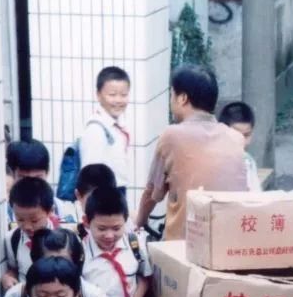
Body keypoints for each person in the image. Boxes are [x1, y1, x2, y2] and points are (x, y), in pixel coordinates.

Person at [136, 64, 247, 240]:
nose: (171, 100)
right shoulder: (236, 138)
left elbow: (151, 194)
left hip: (186, 246)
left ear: (182, 98)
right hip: (230, 241)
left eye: (171, 94)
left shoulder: (171, 135)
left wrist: (138, 223)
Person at [79, 66, 131, 194]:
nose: (118, 100)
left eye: (123, 95)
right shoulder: (95, 130)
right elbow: (90, 176)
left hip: (116, 191)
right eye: (112, 95)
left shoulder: (115, 125)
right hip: (104, 196)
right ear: (98, 95)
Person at [2, 177, 60, 289]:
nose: (27, 226)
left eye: (34, 220)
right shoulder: (12, 240)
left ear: (50, 211)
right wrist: (8, 277)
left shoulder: (65, 238)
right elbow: (14, 268)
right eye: (20, 220)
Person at [6, 138, 76, 225]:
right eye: (24, 178)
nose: (31, 186)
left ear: (47, 173)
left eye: (37, 178)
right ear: (13, 174)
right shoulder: (4, 214)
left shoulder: (63, 210)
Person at [218, 100, 261, 191]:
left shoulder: (248, 162)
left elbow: (255, 195)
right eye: (236, 134)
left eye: (246, 135)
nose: (241, 141)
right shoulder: (211, 160)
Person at [74, 162, 118, 232]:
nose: (99, 206)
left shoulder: (121, 223)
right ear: (78, 195)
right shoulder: (70, 223)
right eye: (92, 200)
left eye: (105, 200)